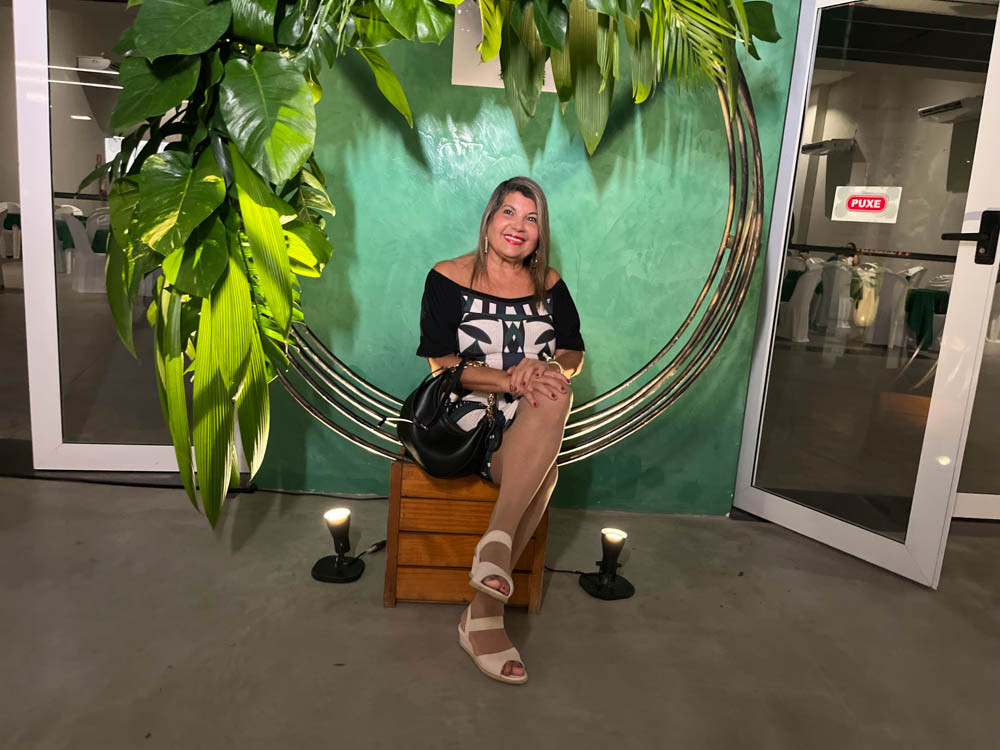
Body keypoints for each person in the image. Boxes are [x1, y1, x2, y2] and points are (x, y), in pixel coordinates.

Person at [416, 176, 585, 685]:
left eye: (532, 218)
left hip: (530, 413)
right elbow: (442, 363)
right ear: (489, 218)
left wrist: (546, 367)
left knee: (556, 390)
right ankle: (485, 609)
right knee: (548, 473)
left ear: (540, 233)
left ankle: (492, 562)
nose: (519, 226)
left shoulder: (550, 284)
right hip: (467, 417)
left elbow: (573, 352)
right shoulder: (446, 276)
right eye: (509, 212)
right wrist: (508, 378)